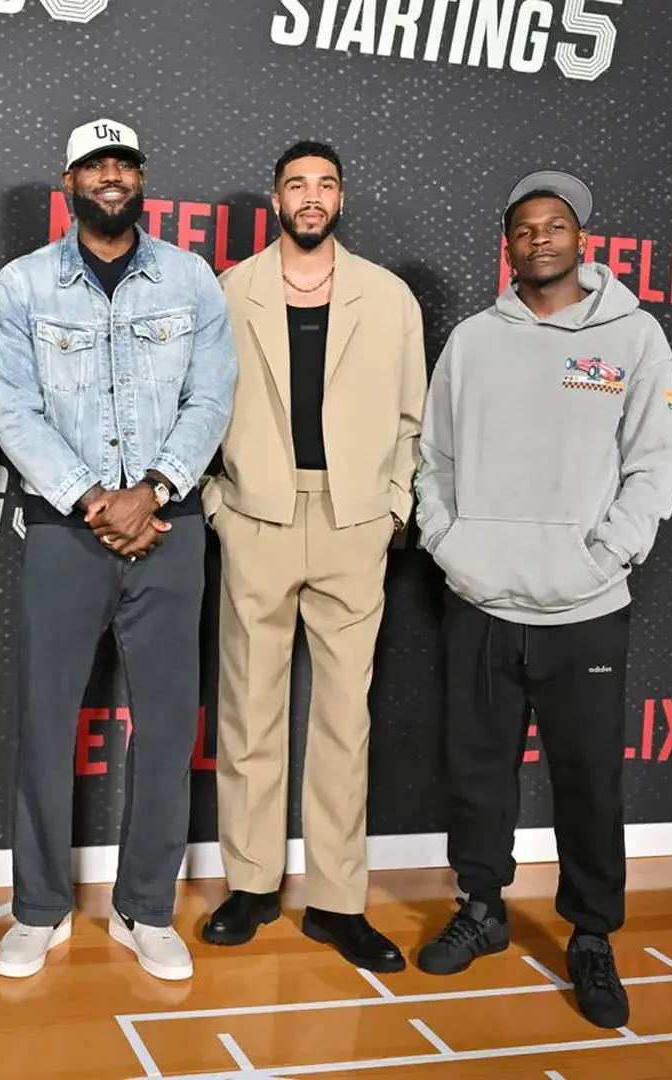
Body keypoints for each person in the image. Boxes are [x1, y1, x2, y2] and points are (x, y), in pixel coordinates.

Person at [412, 169, 672, 1030]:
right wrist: (450, 545)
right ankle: (483, 908)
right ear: (509, 243)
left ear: (581, 238)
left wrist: (604, 555)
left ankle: (593, 936)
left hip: (585, 606)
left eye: (555, 226)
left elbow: (653, 465)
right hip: (482, 599)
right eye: (524, 228)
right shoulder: (472, 341)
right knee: (478, 772)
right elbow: (435, 461)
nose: (539, 239)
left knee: (589, 782)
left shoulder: (635, 339)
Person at [0, 118, 236, 983]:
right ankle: (40, 910)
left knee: (167, 730)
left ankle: (147, 909)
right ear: (69, 179)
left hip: (172, 528)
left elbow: (212, 399)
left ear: (141, 179)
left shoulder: (192, 278)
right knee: (47, 726)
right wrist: (95, 499)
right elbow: (12, 410)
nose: (112, 176)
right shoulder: (22, 285)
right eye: (96, 163)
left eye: (125, 162)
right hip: (66, 530)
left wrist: (154, 489)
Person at [198, 141, 426, 971]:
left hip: (353, 518)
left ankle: (337, 901)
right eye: (297, 183)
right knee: (249, 710)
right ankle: (253, 885)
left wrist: (392, 505)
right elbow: (197, 407)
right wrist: (219, 504)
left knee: (343, 719)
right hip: (255, 511)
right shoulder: (228, 291)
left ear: (341, 197)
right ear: (275, 197)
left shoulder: (390, 298)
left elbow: (413, 416)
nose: (311, 196)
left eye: (325, 183)